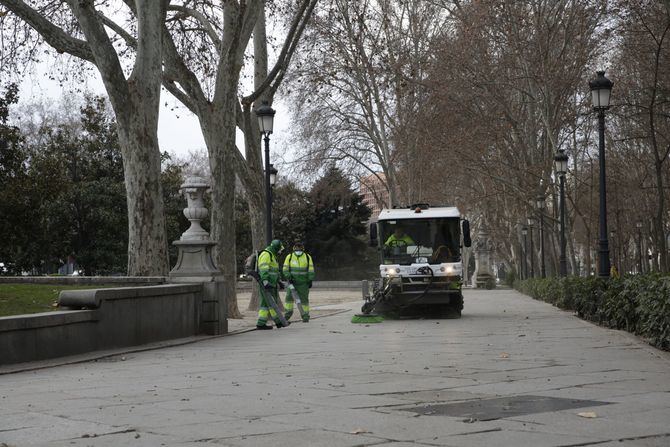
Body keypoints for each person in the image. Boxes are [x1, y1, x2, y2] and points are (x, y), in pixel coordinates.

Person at [256, 239, 287, 330]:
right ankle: (278, 322)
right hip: (266, 284)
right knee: (271, 303)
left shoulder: (272, 255)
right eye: (279, 249)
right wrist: (265, 282)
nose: (280, 251)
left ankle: (261, 324)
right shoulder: (267, 255)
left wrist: (279, 281)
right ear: (276, 248)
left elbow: (275, 271)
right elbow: (263, 270)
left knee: (266, 305)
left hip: (271, 284)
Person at [282, 242, 315, 322]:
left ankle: (305, 316)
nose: (298, 250)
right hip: (292, 282)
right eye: (297, 248)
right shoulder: (289, 257)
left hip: (304, 283)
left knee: (304, 300)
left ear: (302, 249)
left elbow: (311, 269)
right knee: (289, 299)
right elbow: (285, 269)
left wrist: (310, 279)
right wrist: (288, 277)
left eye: (299, 248)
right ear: (294, 249)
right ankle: (287, 315)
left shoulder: (307, 257)